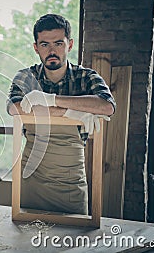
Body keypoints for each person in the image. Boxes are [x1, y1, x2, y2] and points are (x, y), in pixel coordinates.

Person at [7, 14, 116, 214]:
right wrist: (73, 113)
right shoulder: (26, 77)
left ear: (70, 44)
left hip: (71, 184)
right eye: (45, 44)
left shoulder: (86, 77)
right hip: (31, 179)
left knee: (72, 240)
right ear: (36, 48)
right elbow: (15, 108)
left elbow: (107, 106)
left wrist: (52, 100)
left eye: (58, 43)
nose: (52, 51)